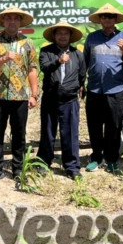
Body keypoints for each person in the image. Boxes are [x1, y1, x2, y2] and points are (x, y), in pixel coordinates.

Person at [0, 6, 38, 184]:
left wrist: (34, 94)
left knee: (19, 133)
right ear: (3, 21)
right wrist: (3, 59)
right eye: (8, 18)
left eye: (16, 18)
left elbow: (32, 69)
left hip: (20, 95)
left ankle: (18, 168)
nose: (12, 21)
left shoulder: (27, 43)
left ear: (20, 22)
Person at [83, 3, 123, 174]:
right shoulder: (92, 38)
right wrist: (81, 84)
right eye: (104, 16)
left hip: (116, 89)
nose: (107, 19)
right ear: (100, 19)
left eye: (111, 16)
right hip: (94, 89)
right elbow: (85, 62)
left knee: (114, 125)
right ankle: (97, 157)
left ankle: (112, 158)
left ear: (115, 19)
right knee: (95, 125)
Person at [38, 20, 86, 180]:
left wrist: (78, 87)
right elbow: (44, 68)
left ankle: (72, 167)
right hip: (50, 99)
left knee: (70, 134)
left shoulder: (77, 54)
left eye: (66, 33)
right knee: (47, 132)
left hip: (70, 100)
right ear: (54, 35)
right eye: (60, 33)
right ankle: (44, 163)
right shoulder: (46, 51)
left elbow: (82, 75)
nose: (63, 36)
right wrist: (58, 61)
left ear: (71, 36)